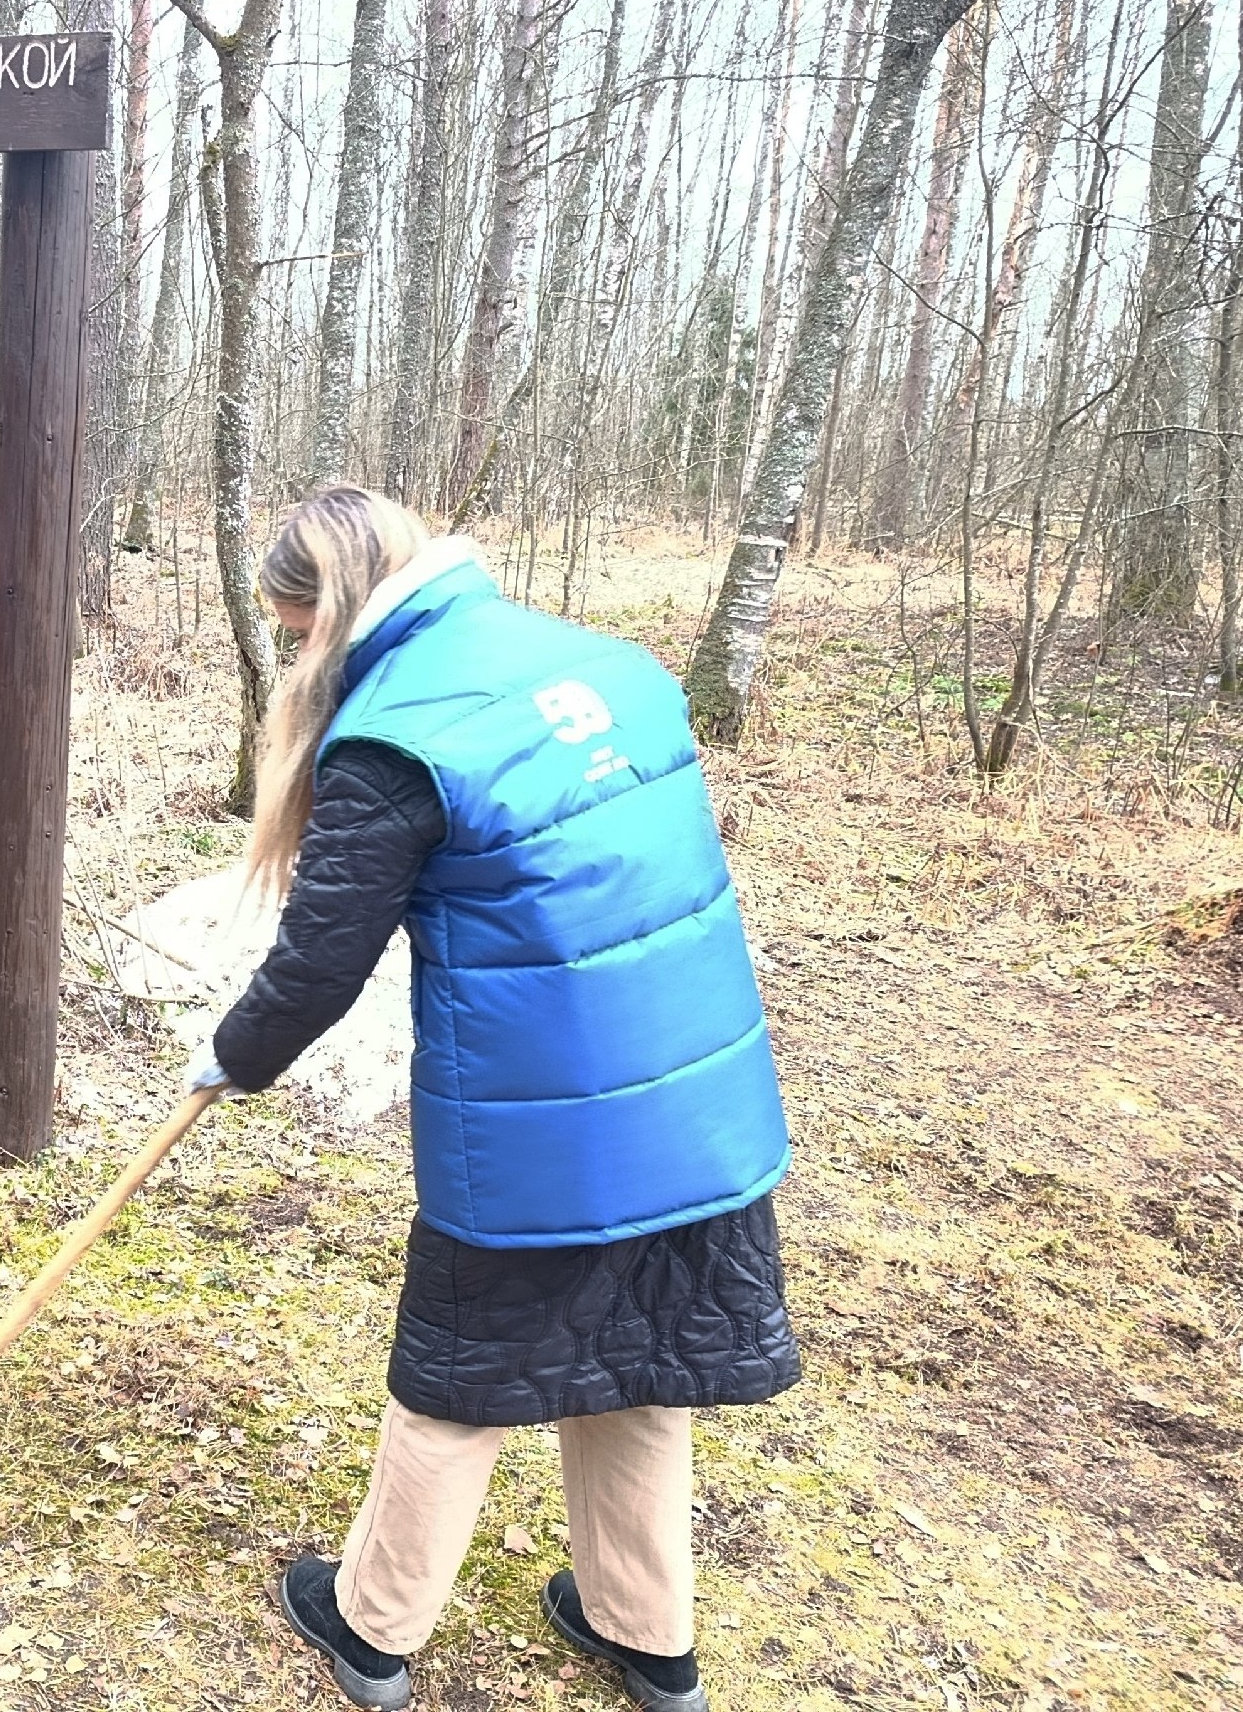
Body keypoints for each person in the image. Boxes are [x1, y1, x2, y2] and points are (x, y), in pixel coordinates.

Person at [190, 488, 798, 1712]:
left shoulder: (396, 735)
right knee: (642, 1359)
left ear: (326, 616)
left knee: (459, 1378)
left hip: (541, 1129)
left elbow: (318, 959)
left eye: (292, 629)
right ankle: (646, 1635)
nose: (296, 654)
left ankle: (369, 1631)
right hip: (695, 1099)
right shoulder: (605, 664)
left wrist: (234, 1054)